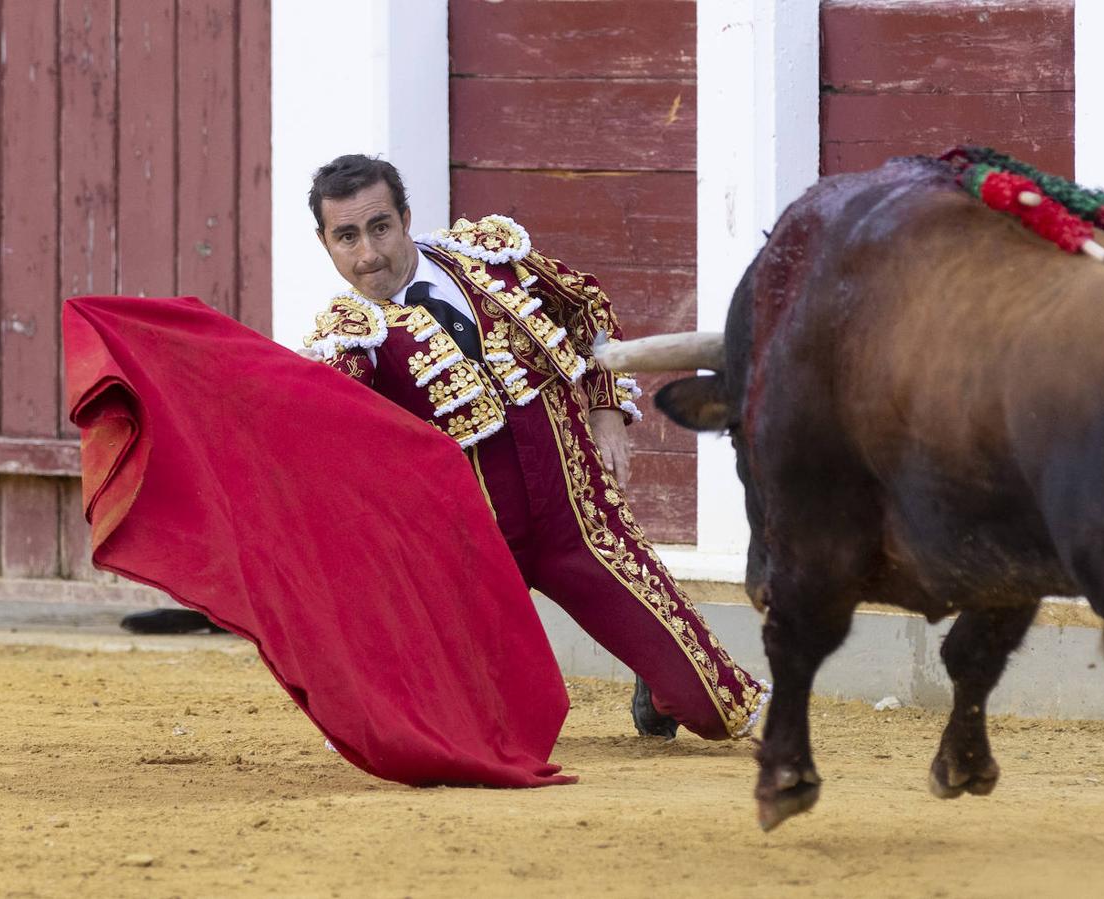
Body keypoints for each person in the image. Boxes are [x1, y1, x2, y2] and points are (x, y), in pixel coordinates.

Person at [290, 153, 769, 741]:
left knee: (717, 710)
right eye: (347, 237)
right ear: (325, 243)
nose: (368, 254)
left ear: (406, 217)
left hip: (579, 520)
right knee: (484, 731)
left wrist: (607, 409)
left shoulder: (490, 260)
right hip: (471, 562)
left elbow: (586, 305)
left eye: (380, 227)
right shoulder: (346, 342)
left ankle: (657, 682)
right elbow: (314, 430)